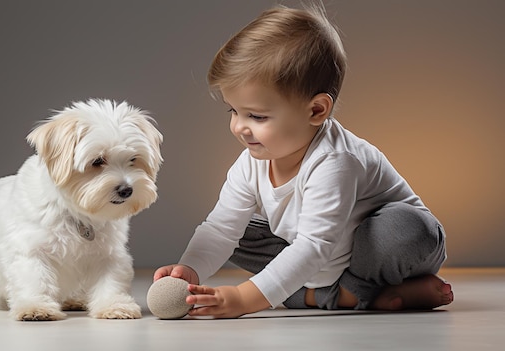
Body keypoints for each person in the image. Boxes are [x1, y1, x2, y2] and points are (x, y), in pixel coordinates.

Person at [154, 3, 454, 319]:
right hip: (324, 256)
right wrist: (189, 269)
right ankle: (343, 294)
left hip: (391, 250)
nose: (240, 127)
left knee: (404, 228)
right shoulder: (251, 163)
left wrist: (244, 298)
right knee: (239, 232)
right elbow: (219, 229)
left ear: (315, 111)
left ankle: (343, 293)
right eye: (234, 111)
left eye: (256, 115)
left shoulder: (334, 161)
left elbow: (313, 246)